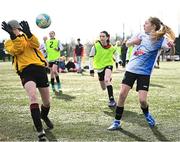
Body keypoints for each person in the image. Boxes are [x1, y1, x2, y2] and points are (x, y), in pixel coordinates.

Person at [108, 17, 175, 130]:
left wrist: (171, 45)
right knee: (122, 95)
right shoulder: (140, 35)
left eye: (146, 23)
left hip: (144, 73)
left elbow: (171, 51)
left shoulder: (161, 39)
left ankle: (147, 114)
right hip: (131, 69)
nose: (144, 25)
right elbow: (127, 44)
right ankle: (117, 121)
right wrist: (133, 42)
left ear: (153, 26)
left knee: (142, 100)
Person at [1, 20, 54, 141]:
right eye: (12, 28)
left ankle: (44, 116)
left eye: (14, 28)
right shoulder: (8, 42)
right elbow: (17, 50)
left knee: (46, 102)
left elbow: (36, 44)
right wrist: (13, 37)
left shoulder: (27, 35)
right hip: (26, 71)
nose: (14, 29)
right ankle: (40, 132)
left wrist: (29, 33)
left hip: (39, 69)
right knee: (33, 97)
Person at [89, 31, 121, 107]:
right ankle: (108, 79)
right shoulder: (95, 46)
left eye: (103, 36)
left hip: (108, 65)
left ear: (107, 37)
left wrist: (118, 60)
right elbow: (91, 57)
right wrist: (91, 69)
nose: (101, 38)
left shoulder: (111, 47)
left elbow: (116, 54)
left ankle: (112, 100)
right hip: (99, 68)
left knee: (106, 80)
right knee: (103, 88)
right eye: (100, 36)